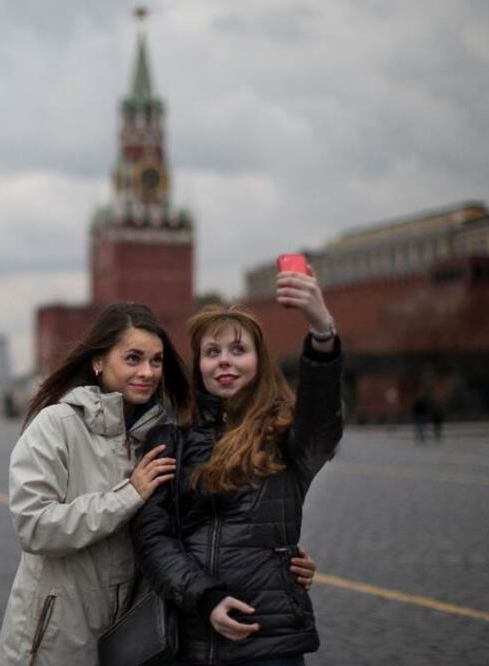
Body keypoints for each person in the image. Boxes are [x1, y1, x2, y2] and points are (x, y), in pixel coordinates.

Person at [0, 302, 319, 666]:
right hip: (60, 632)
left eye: (157, 361)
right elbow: (34, 527)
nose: (147, 372)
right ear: (99, 361)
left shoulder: (163, 434)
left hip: (136, 634)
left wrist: (273, 558)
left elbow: (181, 531)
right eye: (133, 358)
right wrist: (128, 496)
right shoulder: (57, 426)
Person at [132, 267, 342, 665]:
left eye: (238, 350)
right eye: (212, 352)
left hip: (268, 642)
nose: (224, 362)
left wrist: (322, 333)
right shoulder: (170, 440)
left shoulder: (286, 438)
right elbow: (152, 537)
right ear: (199, 367)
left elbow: (322, 421)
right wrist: (205, 598)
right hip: (191, 640)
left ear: (259, 362)